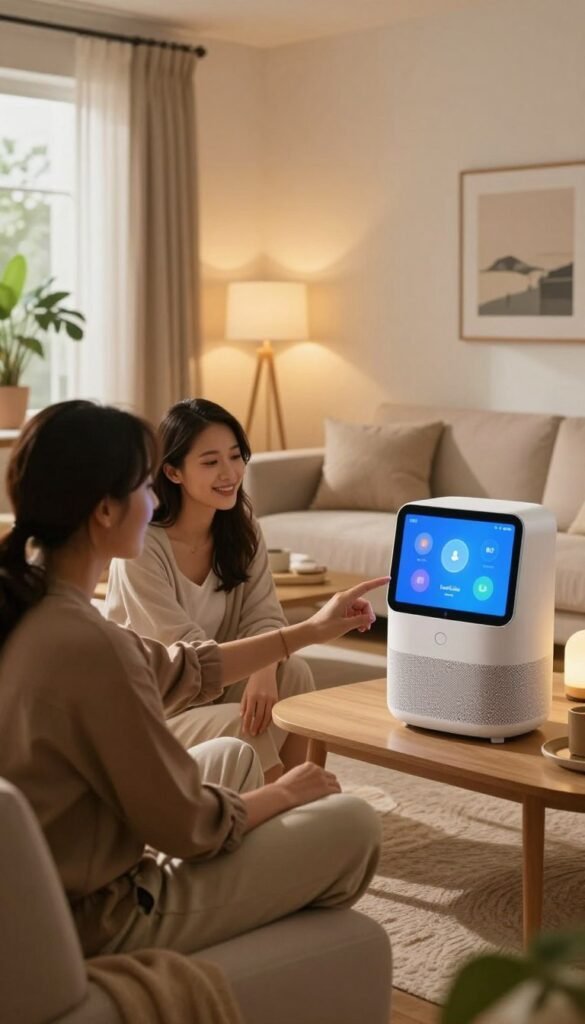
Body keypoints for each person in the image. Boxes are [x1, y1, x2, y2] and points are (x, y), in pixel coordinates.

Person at [0, 400, 386, 958]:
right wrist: (282, 793)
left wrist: (311, 631)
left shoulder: (34, 605)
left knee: (237, 750)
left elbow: (187, 668)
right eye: (145, 485)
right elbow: (190, 827)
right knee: (351, 824)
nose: (155, 499)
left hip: (67, 875)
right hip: (106, 912)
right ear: (105, 510)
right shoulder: (89, 645)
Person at [106, 399, 314, 781]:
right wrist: (258, 666)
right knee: (242, 727)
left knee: (294, 673)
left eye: (235, 457)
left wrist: (264, 670)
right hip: (154, 714)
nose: (230, 472)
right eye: (210, 461)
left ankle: (302, 794)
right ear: (173, 471)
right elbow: (189, 661)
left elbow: (265, 615)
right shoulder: (140, 546)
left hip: (215, 684)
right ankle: (282, 800)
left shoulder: (241, 528)